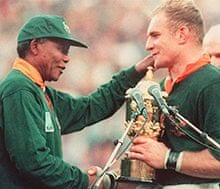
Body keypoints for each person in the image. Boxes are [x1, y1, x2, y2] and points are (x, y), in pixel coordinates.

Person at [0, 15, 154, 189]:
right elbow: (34, 162)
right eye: (61, 49)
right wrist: (86, 180)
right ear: (35, 46)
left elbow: (88, 108)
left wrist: (134, 73)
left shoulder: (40, 90)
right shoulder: (19, 89)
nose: (67, 58)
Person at [128, 0, 220, 188]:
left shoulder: (212, 83)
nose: (148, 45)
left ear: (181, 34)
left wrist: (168, 158)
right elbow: (156, 163)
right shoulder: (157, 88)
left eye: (155, 36)